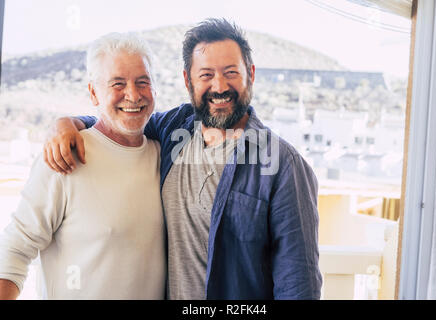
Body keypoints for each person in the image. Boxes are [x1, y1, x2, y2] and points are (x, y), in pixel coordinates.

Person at [44, 18, 322, 299]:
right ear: (187, 80)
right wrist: (66, 123)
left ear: (250, 73)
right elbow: (118, 119)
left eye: (231, 73)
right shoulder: (173, 127)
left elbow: (299, 284)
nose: (220, 86)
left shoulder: (283, 165)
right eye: (206, 75)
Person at [0, 33, 166, 299]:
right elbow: (15, 250)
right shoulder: (64, 156)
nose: (133, 95)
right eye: (118, 84)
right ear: (93, 92)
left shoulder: (163, 156)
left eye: (142, 82)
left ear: (155, 89)